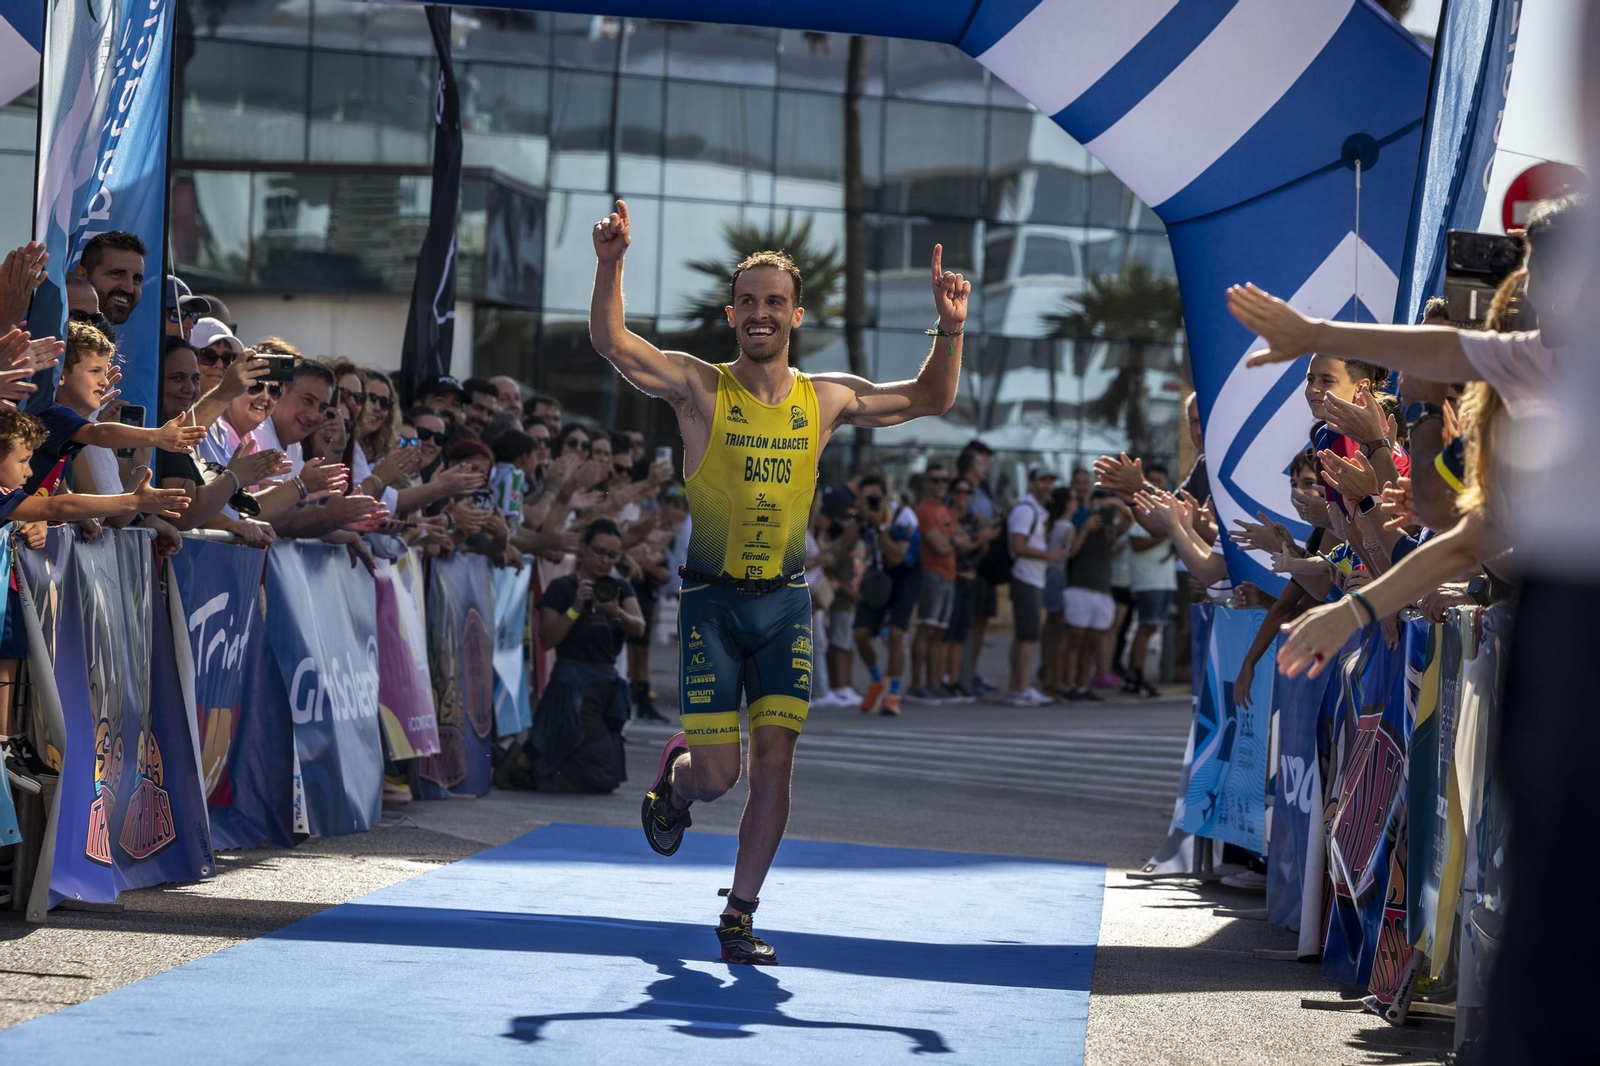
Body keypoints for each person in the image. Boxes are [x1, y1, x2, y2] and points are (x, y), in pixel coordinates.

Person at [591, 198, 966, 964]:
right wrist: (611, 264)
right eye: (748, 302)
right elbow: (614, 343)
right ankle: (677, 783)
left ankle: (739, 912)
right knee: (719, 777)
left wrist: (950, 327)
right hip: (713, 605)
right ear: (732, 314)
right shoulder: (699, 388)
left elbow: (930, 397)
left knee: (775, 764)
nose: (760, 313)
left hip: (786, 607)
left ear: (796, 314)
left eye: (775, 302)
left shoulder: (823, 398)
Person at [532, 519, 644, 793]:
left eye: (612, 555)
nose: (604, 560)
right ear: (583, 547)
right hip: (572, 687)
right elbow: (547, 640)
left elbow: (639, 627)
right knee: (603, 775)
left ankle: (534, 761)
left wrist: (615, 613)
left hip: (606, 687)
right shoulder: (562, 587)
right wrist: (575, 608)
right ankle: (529, 769)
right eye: (598, 551)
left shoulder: (619, 589)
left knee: (612, 772)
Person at [850, 472, 920, 715]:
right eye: (866, 498)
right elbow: (845, 545)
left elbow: (898, 556)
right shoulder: (860, 517)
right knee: (860, 632)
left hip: (904, 576)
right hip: (877, 577)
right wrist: (859, 517)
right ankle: (878, 680)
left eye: (875, 499)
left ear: (885, 497)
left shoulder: (903, 516)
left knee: (897, 634)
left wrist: (879, 525)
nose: (871, 503)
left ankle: (893, 695)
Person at [1063, 490, 1133, 702]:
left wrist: (1116, 503)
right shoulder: (1077, 526)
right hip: (1079, 588)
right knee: (1075, 641)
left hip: (1102, 591)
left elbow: (1130, 519)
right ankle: (1068, 685)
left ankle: (1082, 686)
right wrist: (1085, 529)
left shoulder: (1110, 531)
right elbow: (1071, 553)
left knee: (1090, 644)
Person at [1006, 468, 1064, 706]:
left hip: (1034, 578)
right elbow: (1018, 545)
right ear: (1031, 483)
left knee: (1025, 635)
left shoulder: (1038, 511)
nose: (1047, 486)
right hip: (1025, 577)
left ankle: (1017, 686)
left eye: (1050, 481)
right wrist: (1048, 555)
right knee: (1028, 636)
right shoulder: (1025, 510)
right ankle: (1020, 689)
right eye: (1042, 481)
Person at [908, 463, 959, 702]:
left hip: (948, 575)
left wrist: (953, 541)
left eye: (944, 480)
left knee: (939, 632)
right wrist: (954, 541)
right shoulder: (924, 510)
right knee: (926, 629)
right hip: (932, 574)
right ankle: (917, 684)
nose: (940, 485)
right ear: (927, 483)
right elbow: (940, 546)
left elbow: (962, 540)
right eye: (935, 480)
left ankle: (933, 682)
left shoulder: (945, 510)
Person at [1126, 465, 1177, 698]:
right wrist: (1168, 532)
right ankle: (1136, 676)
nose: (1157, 485)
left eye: (1161, 481)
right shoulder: (1141, 514)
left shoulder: (1163, 513)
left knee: (1152, 627)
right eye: (1152, 480)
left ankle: (1137, 675)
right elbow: (1136, 544)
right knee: (1146, 627)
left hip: (1164, 580)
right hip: (1148, 581)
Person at [940, 475, 992, 701]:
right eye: (959, 491)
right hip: (952, 578)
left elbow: (982, 549)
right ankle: (942, 679)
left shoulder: (974, 519)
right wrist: (979, 538)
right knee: (947, 634)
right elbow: (959, 547)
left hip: (970, 579)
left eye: (968, 492)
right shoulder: (946, 517)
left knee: (961, 635)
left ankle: (955, 680)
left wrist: (981, 536)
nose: (963, 497)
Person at [73, 231, 145, 326]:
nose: (129, 289)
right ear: (82, 275)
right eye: (117, 274)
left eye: (137, 279)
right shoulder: (55, 331)